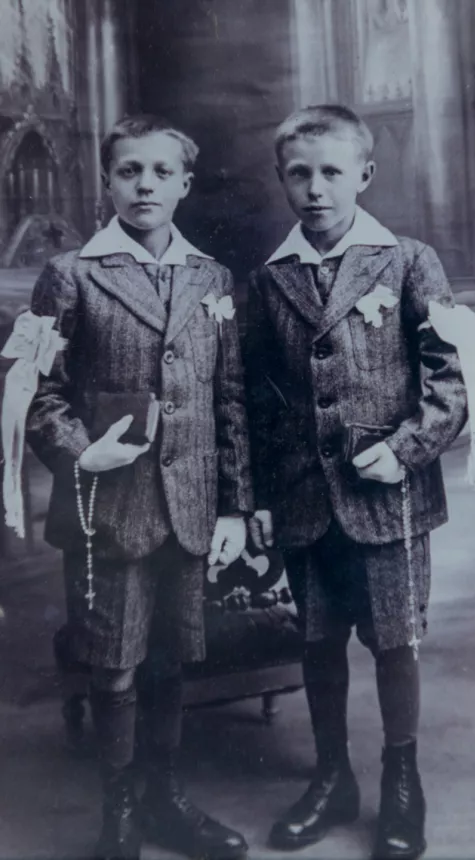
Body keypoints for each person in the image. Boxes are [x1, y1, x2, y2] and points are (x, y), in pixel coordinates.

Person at [25, 114, 252, 860]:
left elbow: (228, 401)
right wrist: (78, 452)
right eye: (129, 171)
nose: (145, 185)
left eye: (161, 172)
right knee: (114, 659)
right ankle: (118, 814)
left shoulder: (210, 278)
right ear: (107, 181)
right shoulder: (72, 275)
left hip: (188, 508)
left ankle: (166, 798)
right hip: (108, 508)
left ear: (185, 183)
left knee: (169, 656)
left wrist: (235, 507)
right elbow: (36, 394)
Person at [244, 104, 467, 860]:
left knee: (395, 640)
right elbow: (256, 395)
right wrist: (257, 497)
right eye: (299, 174)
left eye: (332, 172)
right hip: (303, 495)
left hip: (388, 495)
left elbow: (451, 378)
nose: (316, 189)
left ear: (364, 175)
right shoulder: (269, 279)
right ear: (281, 179)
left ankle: (401, 780)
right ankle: (331, 776)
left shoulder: (407, 261)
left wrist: (406, 449)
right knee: (318, 641)